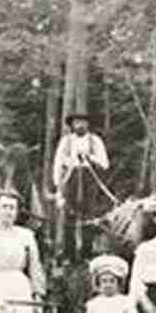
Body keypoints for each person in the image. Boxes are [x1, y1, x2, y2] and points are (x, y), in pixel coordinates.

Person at [52, 111, 111, 260]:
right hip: (70, 180)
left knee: (89, 216)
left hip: (89, 180)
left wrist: (90, 158)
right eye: (76, 122)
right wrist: (58, 185)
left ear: (88, 124)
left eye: (83, 122)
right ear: (72, 125)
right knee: (68, 215)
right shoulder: (66, 141)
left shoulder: (95, 141)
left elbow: (105, 164)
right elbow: (58, 163)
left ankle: (87, 252)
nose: (80, 125)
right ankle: (69, 253)